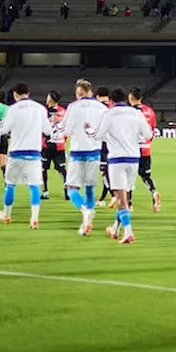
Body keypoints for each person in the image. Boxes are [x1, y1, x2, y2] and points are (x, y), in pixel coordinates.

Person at [95, 88, 153, 244]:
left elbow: (99, 135)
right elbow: (148, 135)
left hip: (117, 159)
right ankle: (115, 228)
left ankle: (128, 232)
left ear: (112, 101)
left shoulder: (109, 114)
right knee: (124, 196)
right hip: (134, 158)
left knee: (120, 198)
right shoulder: (136, 113)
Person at [0, 83, 53, 228]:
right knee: (34, 186)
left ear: (16, 95)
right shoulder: (40, 109)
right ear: (28, 93)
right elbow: (47, 131)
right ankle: (34, 219)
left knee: (10, 185)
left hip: (16, 153)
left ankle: (7, 215)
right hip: (34, 153)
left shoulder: (12, 109)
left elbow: (3, 130)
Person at [64, 79, 108, 235]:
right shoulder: (102, 108)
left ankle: (84, 210)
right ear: (91, 92)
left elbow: (66, 131)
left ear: (78, 93)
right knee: (89, 187)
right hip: (94, 152)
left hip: (77, 152)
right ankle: (88, 219)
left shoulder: (73, 107)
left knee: (72, 188)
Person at [128, 88, 161, 212]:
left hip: (132, 149)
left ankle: (129, 203)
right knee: (146, 176)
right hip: (146, 149)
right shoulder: (150, 111)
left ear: (131, 97)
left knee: (128, 177)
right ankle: (153, 192)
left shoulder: (129, 112)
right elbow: (151, 131)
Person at [41, 91, 68, 200]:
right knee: (62, 169)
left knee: (43, 168)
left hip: (46, 145)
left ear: (51, 99)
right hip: (59, 144)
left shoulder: (44, 111)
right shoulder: (64, 112)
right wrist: (62, 140)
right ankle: (67, 192)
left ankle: (45, 192)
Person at [95, 86, 115, 207]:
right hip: (114, 143)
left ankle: (114, 195)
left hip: (102, 142)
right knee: (110, 171)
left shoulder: (97, 108)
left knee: (104, 172)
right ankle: (103, 197)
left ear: (97, 96)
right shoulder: (112, 107)